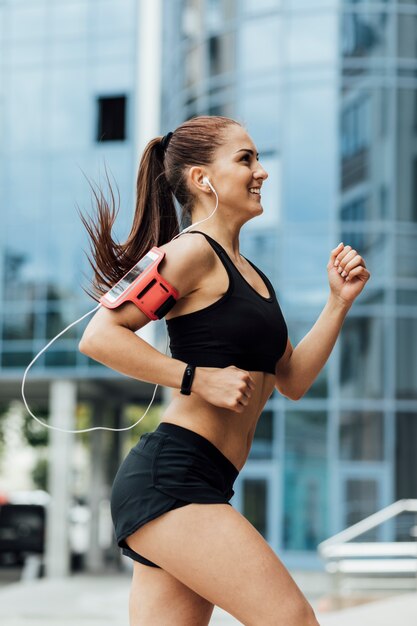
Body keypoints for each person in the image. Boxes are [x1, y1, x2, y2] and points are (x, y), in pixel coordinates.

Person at [79, 115, 370, 626]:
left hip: (206, 479)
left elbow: (293, 379)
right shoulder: (191, 252)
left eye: (258, 158)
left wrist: (337, 303)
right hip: (172, 477)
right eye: (246, 159)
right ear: (201, 178)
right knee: (292, 620)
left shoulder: (251, 275)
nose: (261, 172)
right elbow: (100, 336)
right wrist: (196, 377)